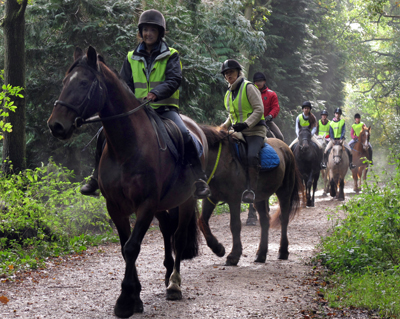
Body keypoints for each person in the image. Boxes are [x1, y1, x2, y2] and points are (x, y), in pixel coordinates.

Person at [81, 9, 211, 199]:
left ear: (159, 32)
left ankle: (199, 178)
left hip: (164, 109)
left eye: (152, 30)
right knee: (103, 133)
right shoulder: (131, 56)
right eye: (145, 30)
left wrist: (155, 94)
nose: (148, 33)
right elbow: (125, 84)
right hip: (137, 111)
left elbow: (174, 79)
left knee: (184, 134)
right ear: (140, 32)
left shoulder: (171, 55)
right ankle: (95, 178)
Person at [220, 59, 266, 203]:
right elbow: (231, 115)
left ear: (238, 72)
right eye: (226, 74)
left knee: (251, 156)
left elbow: (259, 110)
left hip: (255, 131)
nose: (229, 76)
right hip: (237, 132)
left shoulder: (248, 87)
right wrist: (223, 127)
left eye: (231, 72)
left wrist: (246, 124)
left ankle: (251, 189)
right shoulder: (228, 94)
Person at [288, 101, 325, 167]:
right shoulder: (299, 117)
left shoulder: (313, 117)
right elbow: (297, 128)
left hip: (310, 136)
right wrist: (299, 135)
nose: (306, 109)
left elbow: (314, 128)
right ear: (302, 109)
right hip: (301, 136)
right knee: (290, 147)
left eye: (307, 108)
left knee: (320, 146)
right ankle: (290, 163)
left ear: (310, 109)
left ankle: (321, 163)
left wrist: (310, 135)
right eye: (305, 108)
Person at [252, 72, 284, 141]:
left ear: (264, 81)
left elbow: (275, 107)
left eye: (260, 81)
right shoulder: (250, 94)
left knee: (280, 137)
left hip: (267, 121)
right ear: (254, 83)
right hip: (252, 121)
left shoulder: (271, 94)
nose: (259, 83)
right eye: (257, 81)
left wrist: (270, 116)